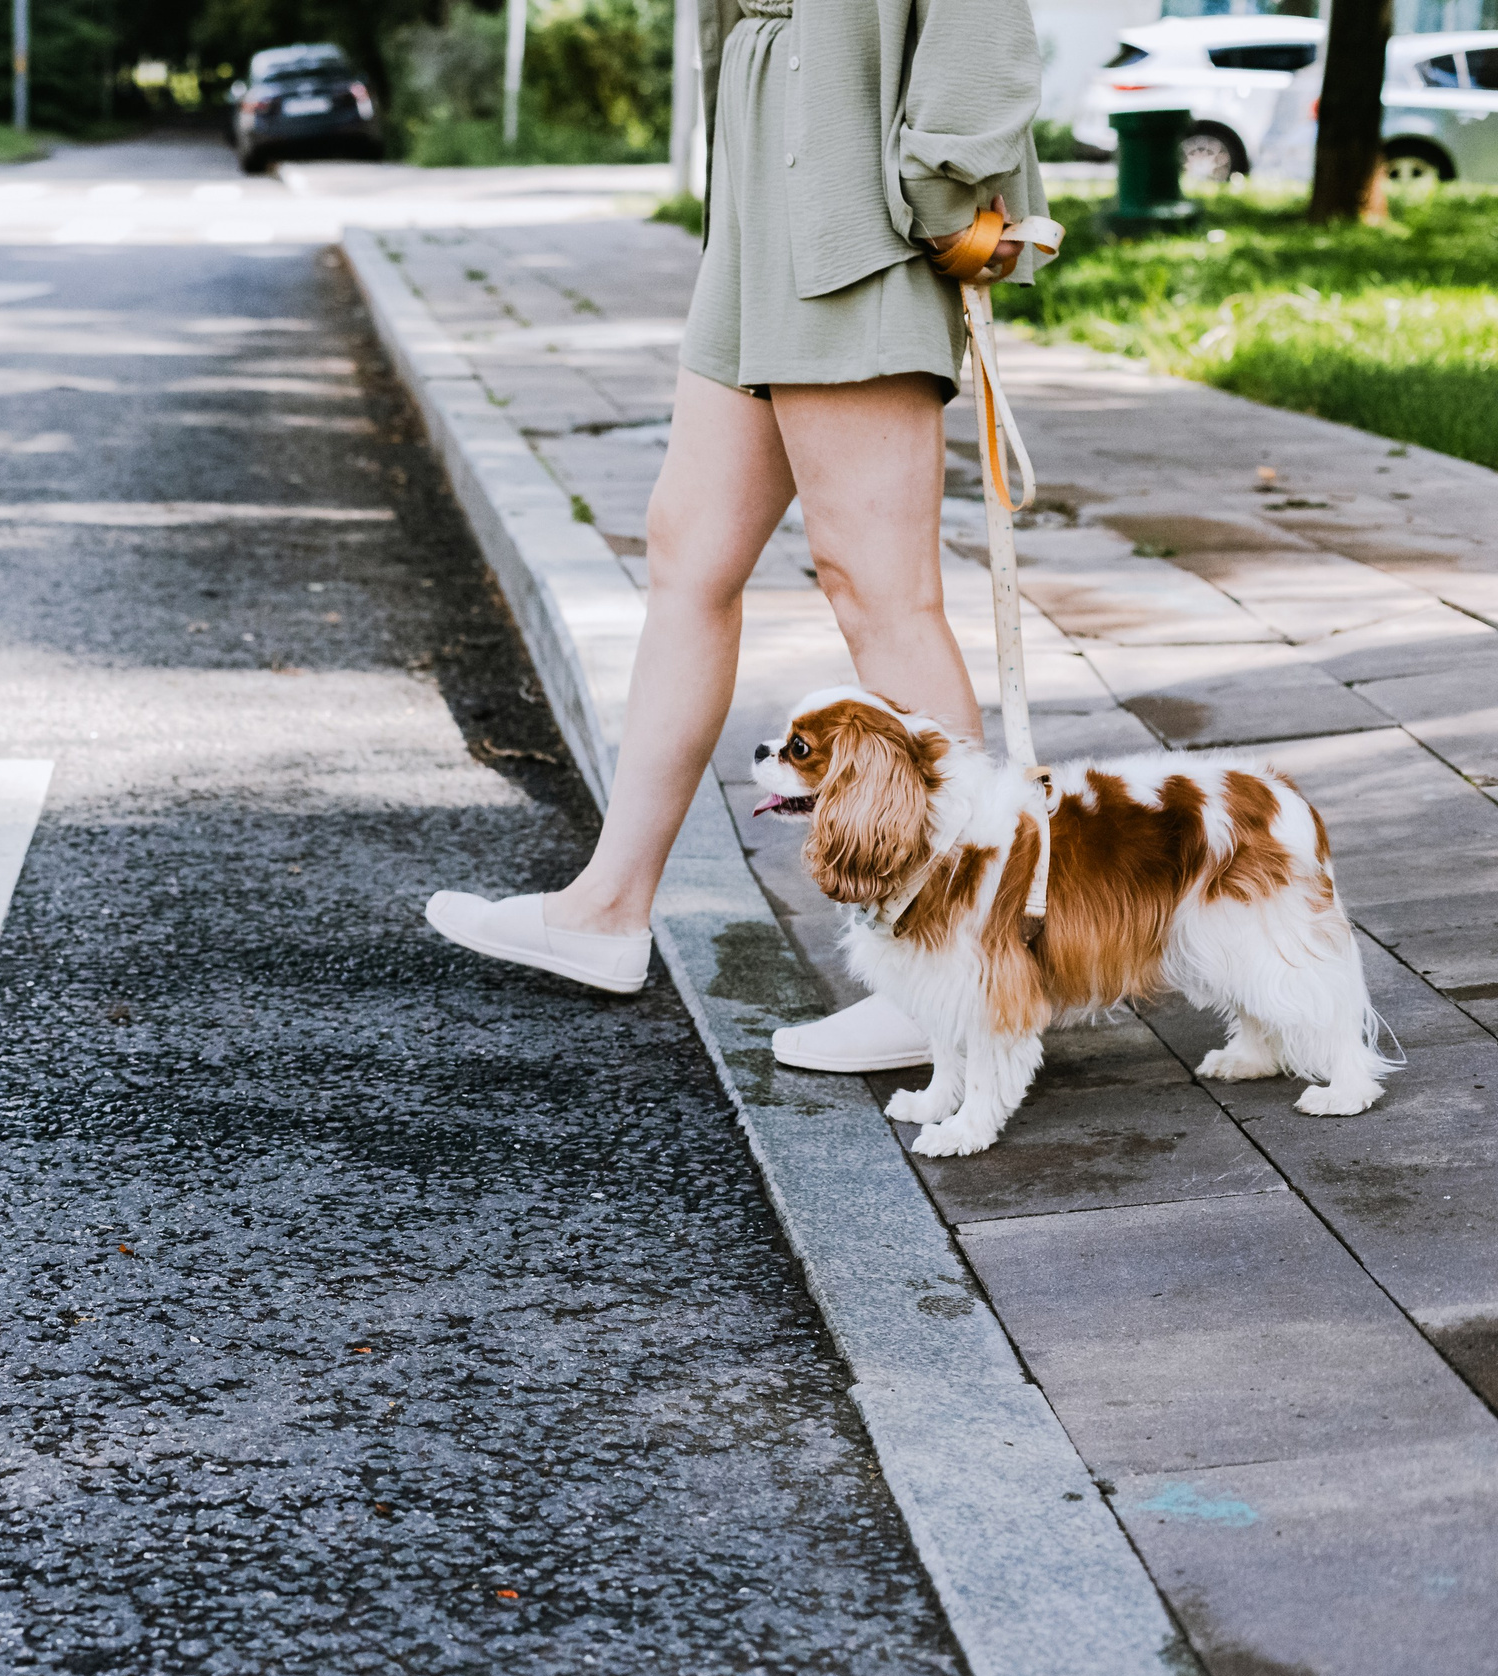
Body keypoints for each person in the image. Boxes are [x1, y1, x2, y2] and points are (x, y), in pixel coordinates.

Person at [424, 0, 1052, 1072]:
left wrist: (940, 188)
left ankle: (957, 967)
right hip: (761, 188)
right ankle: (607, 908)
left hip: (861, 195)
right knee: (689, 550)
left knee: (876, 585)